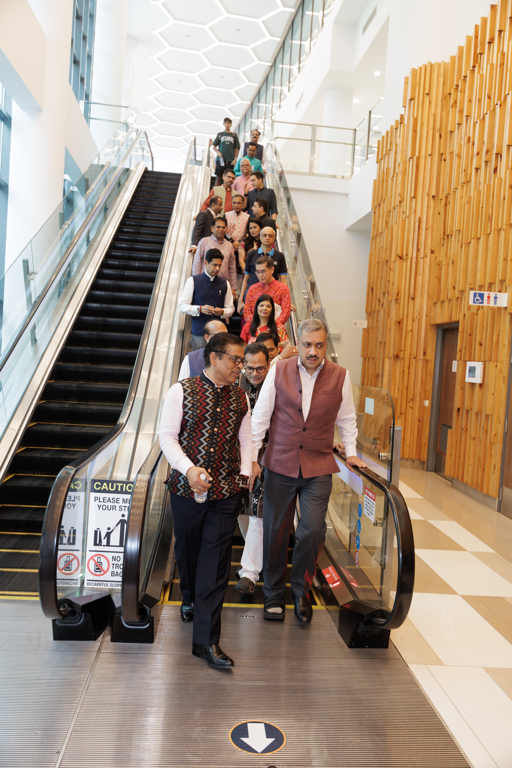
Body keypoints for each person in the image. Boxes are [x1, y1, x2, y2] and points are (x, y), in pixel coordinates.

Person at [250, 319, 367, 624]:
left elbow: (347, 418)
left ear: (326, 345)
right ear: (297, 344)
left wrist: (351, 453)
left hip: (318, 465)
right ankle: (273, 593)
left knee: (312, 530)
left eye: (319, 345)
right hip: (280, 463)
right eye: (307, 344)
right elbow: (261, 416)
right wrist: (251, 457)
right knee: (275, 532)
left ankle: (301, 592)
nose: (313, 351)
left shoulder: (340, 375)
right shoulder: (278, 369)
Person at [160, 333, 251, 669]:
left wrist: (244, 474)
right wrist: (188, 469)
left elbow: (246, 437)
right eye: (235, 360)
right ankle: (189, 596)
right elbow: (167, 437)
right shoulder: (181, 391)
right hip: (186, 490)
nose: (240, 367)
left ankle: (206, 641)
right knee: (188, 549)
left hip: (226, 492)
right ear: (214, 357)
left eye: (242, 361)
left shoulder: (240, 396)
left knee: (215, 564)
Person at [235, 342, 270, 595]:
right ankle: (256, 556)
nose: (255, 373)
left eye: (261, 368)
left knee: (258, 511)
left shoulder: (276, 386)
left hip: (266, 460)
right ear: (242, 365)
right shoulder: (235, 385)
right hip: (235, 459)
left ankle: (249, 572)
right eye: (250, 368)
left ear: (269, 366)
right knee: (242, 512)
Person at [180, 249, 234, 350]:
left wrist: (223, 312)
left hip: (218, 333)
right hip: (199, 332)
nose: (217, 268)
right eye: (214, 265)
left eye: (219, 265)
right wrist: (199, 309)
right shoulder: (192, 281)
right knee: (199, 358)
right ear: (206, 263)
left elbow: (230, 308)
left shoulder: (225, 283)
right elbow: (182, 306)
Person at [192, 217, 237, 301]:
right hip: (204, 283)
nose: (221, 229)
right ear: (212, 228)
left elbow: (232, 267)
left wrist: (233, 287)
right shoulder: (204, 242)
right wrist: (196, 282)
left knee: (220, 307)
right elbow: (197, 263)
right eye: (218, 227)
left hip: (222, 285)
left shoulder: (229, 245)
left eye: (223, 227)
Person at [242, 255, 291, 326]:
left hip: (275, 328)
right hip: (255, 328)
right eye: (257, 272)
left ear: (272, 270)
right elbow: (247, 311)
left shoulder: (283, 288)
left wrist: (272, 327)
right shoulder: (252, 289)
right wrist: (257, 326)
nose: (260, 275)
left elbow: (286, 312)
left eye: (263, 271)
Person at [240, 226, 287, 299]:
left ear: (274, 238)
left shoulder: (279, 256)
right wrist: (240, 299)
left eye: (270, 235)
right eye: (264, 235)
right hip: (252, 293)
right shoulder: (252, 254)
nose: (267, 238)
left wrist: (285, 298)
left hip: (272, 294)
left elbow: (283, 279)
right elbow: (246, 278)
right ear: (260, 238)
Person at [225, 195, 250, 292]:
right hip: (228, 247)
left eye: (238, 203)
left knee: (240, 273)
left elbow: (248, 233)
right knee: (227, 271)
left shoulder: (247, 217)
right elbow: (223, 231)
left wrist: (239, 243)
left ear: (243, 204)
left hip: (241, 249)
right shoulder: (226, 215)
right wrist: (232, 242)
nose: (236, 205)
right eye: (234, 202)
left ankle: (238, 293)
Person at [212, 117, 240, 184]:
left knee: (229, 179)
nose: (227, 124)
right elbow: (214, 146)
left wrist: (235, 159)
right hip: (220, 160)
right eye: (225, 123)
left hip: (230, 161)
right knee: (218, 178)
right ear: (223, 124)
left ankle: (226, 191)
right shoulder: (220, 134)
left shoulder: (234, 136)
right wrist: (218, 152)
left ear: (231, 125)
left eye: (228, 123)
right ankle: (216, 191)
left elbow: (236, 148)